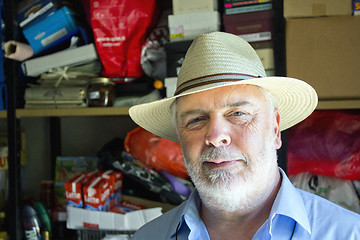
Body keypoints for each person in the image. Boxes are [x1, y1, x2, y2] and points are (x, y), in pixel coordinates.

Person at [128, 31, 360, 239]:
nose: (216, 136)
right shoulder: (149, 237)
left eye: (238, 113)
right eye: (196, 120)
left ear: (275, 129)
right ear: (180, 136)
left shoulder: (348, 234)